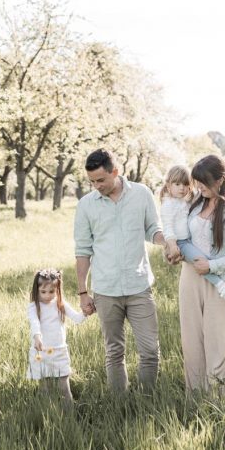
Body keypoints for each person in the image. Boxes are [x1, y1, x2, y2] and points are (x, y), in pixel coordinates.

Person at [74, 148, 170, 392]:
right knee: (114, 352)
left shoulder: (141, 194)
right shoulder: (86, 205)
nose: (96, 185)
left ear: (115, 172)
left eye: (101, 180)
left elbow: (153, 229)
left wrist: (166, 242)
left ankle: (147, 401)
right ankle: (121, 405)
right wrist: (83, 292)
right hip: (106, 289)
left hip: (139, 286)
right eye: (92, 181)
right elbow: (83, 250)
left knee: (150, 350)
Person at [178, 154, 225, 398]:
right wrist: (177, 252)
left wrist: (212, 266)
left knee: (219, 340)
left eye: (204, 183)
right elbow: (183, 237)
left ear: (221, 180)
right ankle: (195, 398)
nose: (199, 187)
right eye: (197, 182)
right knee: (191, 340)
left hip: (222, 280)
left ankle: (219, 400)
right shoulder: (195, 202)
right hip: (190, 277)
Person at [160, 164, 225, 302]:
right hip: (181, 243)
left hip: (189, 240)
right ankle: (221, 286)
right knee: (200, 261)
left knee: (204, 258)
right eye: (177, 184)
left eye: (185, 184)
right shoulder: (168, 205)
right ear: (168, 186)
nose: (182, 188)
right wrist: (171, 245)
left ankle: (219, 275)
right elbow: (168, 227)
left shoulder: (188, 200)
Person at [26, 267, 87, 406]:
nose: (47, 295)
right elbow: (34, 322)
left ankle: (69, 414)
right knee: (45, 388)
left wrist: (86, 312)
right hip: (41, 351)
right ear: (37, 290)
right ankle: (45, 413)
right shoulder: (34, 306)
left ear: (57, 290)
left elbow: (77, 318)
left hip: (59, 351)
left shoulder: (60, 304)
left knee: (64, 387)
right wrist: (37, 336)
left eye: (52, 291)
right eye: (43, 292)